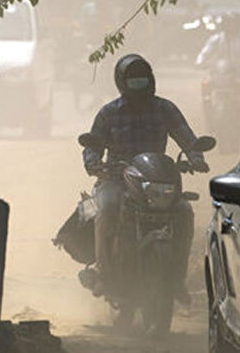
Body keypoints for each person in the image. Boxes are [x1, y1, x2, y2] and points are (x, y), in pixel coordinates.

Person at [82, 53, 209, 304]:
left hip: (156, 182)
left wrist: (196, 157)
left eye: (142, 79)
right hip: (117, 179)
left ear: (150, 79)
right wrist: (93, 162)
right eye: (133, 81)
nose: (138, 85)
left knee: (184, 212)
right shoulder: (109, 113)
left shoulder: (165, 109)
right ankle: (104, 273)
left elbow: (186, 137)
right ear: (121, 82)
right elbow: (92, 144)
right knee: (106, 209)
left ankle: (176, 280)